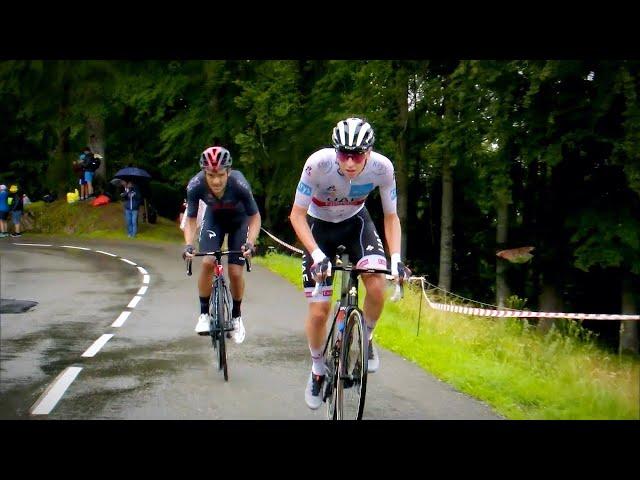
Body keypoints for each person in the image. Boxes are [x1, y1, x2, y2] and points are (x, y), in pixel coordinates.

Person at [289, 117, 410, 410]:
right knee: (319, 311)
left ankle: (365, 338)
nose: (351, 163)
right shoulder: (317, 164)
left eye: (358, 155)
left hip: (356, 223)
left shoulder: (383, 168)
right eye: (344, 154)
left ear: (368, 152)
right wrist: (317, 254)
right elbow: (296, 215)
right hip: (319, 229)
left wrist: (395, 259)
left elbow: (391, 217)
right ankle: (318, 369)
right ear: (335, 152)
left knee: (377, 286)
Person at [182, 146, 261, 344]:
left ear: (228, 172)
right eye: (210, 175)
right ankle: (204, 315)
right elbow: (191, 218)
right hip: (214, 220)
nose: (216, 181)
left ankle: (236, 317)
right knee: (208, 262)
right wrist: (189, 244)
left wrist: (250, 242)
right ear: (204, 173)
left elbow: (255, 217)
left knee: (235, 272)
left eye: (220, 175)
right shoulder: (196, 185)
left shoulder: (239, 183)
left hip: (239, 222)